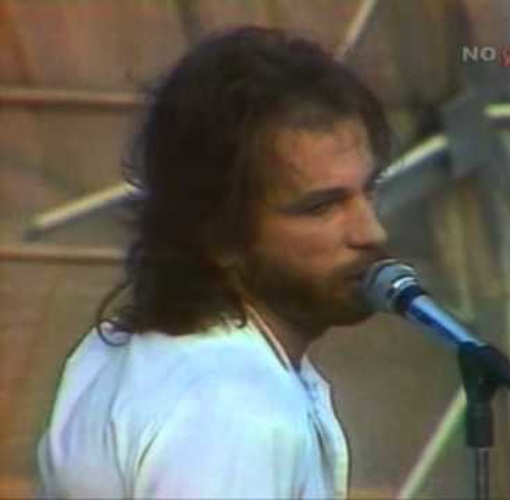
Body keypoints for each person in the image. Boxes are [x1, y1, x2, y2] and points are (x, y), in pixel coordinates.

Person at [37, 26, 391, 498]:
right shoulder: (231, 409)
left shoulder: (122, 356)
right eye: (322, 207)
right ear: (219, 234)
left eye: (370, 190)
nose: (371, 232)